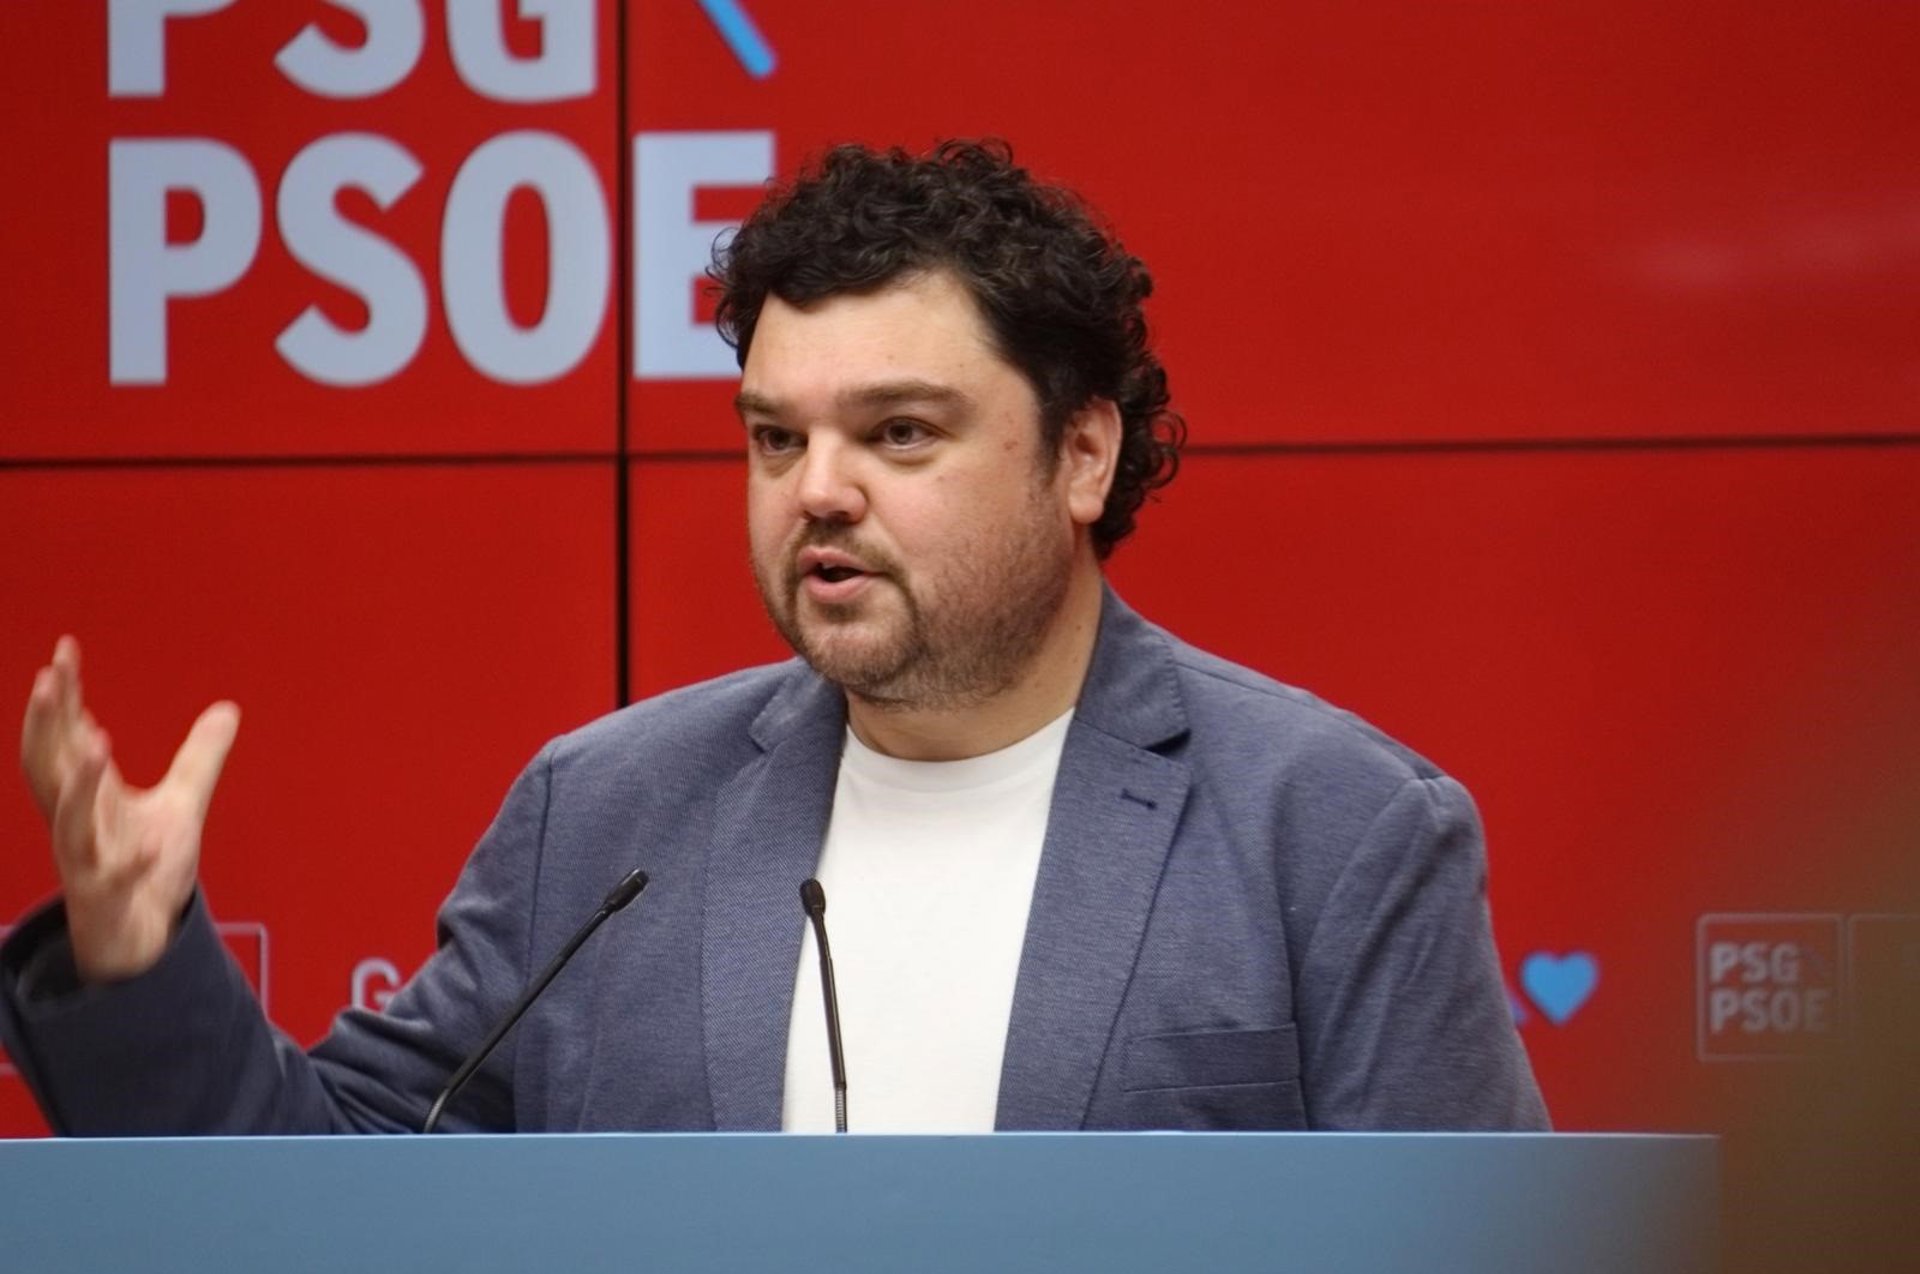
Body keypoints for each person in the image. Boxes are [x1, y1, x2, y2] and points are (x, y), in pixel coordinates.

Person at [1, 141, 1547, 1134]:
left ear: (1084, 455)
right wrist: (137, 961)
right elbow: (324, 1207)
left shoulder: (1333, 833)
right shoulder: (605, 816)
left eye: (900, 432)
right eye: (773, 438)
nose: (818, 491)